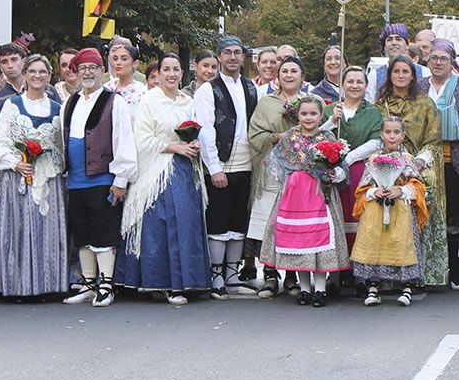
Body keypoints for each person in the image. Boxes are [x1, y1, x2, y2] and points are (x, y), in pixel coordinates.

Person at [117, 52, 212, 305]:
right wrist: (174, 147)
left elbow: (196, 131)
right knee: (163, 225)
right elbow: (142, 139)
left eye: (175, 69)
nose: (171, 74)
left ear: (182, 73)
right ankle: (164, 283)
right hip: (159, 171)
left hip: (186, 171)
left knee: (187, 224)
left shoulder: (188, 101)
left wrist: (193, 145)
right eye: (166, 69)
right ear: (158, 74)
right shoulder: (150, 100)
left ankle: (189, 280)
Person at [0, 55, 68, 299]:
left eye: (42, 72)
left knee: (46, 231)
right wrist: (16, 163)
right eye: (33, 71)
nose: (37, 76)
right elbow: (0, 142)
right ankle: (17, 286)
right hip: (18, 176)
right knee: (18, 229)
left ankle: (47, 285)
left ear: (49, 76)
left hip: (47, 178)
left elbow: (60, 146)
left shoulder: (58, 108)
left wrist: (49, 162)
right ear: (25, 74)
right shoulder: (13, 105)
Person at [60, 46, 137, 306]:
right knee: (82, 233)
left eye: (93, 68)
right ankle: (88, 283)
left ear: (102, 71)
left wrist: (121, 179)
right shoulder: (70, 102)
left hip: (103, 178)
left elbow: (123, 140)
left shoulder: (114, 101)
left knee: (104, 232)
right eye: (82, 68)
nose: (88, 73)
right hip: (75, 180)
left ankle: (106, 285)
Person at [260, 94, 350, 304]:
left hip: (321, 194)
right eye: (304, 113)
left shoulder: (327, 136)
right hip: (295, 195)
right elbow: (276, 163)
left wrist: (334, 174)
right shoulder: (290, 136)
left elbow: (341, 166)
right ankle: (305, 288)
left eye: (313, 114)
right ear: (298, 115)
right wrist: (290, 179)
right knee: (299, 241)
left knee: (318, 240)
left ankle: (320, 289)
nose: (308, 118)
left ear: (321, 115)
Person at [195, 35, 260, 297]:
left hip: (246, 161)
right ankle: (216, 277)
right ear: (219, 56)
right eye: (227, 52)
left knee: (238, 221)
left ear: (243, 57)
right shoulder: (208, 89)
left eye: (237, 52)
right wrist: (214, 168)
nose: (233, 57)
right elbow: (205, 130)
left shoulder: (251, 87)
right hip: (221, 161)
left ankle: (232, 277)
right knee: (218, 221)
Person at [245, 55, 315, 295]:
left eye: (294, 71)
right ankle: (270, 274)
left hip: (300, 173)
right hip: (271, 171)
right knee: (269, 221)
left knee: (293, 222)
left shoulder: (311, 102)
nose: (289, 75)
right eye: (284, 71)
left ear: (302, 77)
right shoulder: (266, 103)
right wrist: (280, 137)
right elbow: (255, 135)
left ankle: (292, 276)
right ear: (278, 76)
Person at [374, 52, 444, 286]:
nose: (401, 75)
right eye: (396, 71)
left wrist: (419, 161)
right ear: (390, 75)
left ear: (413, 76)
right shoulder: (380, 104)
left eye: (406, 71)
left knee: (427, 181)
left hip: (418, 161)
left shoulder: (425, 103)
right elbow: (376, 137)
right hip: (387, 162)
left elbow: (433, 139)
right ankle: (387, 275)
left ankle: (422, 272)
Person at [353, 113, 429, 306]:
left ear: (403, 135)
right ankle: (373, 288)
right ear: (381, 134)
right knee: (374, 244)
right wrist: (374, 192)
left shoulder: (407, 159)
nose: (392, 136)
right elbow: (362, 187)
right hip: (376, 211)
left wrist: (401, 190)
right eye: (388, 132)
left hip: (400, 210)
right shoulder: (373, 159)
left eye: (396, 132)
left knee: (402, 244)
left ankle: (406, 288)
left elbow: (419, 186)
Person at [422, 40, 459, 288]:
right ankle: (425, 270)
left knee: (454, 217)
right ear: (428, 60)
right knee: (425, 214)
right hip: (423, 161)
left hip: (453, 161)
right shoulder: (419, 87)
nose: (438, 62)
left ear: (451, 62)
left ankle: (455, 269)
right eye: (434, 57)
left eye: (443, 58)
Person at [332, 66, 383, 258]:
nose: (354, 85)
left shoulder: (372, 112)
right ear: (342, 84)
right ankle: (337, 264)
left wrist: (348, 158)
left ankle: (358, 262)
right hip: (332, 172)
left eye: (359, 82)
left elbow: (376, 141)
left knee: (356, 215)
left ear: (366, 86)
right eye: (350, 81)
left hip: (359, 172)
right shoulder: (331, 109)